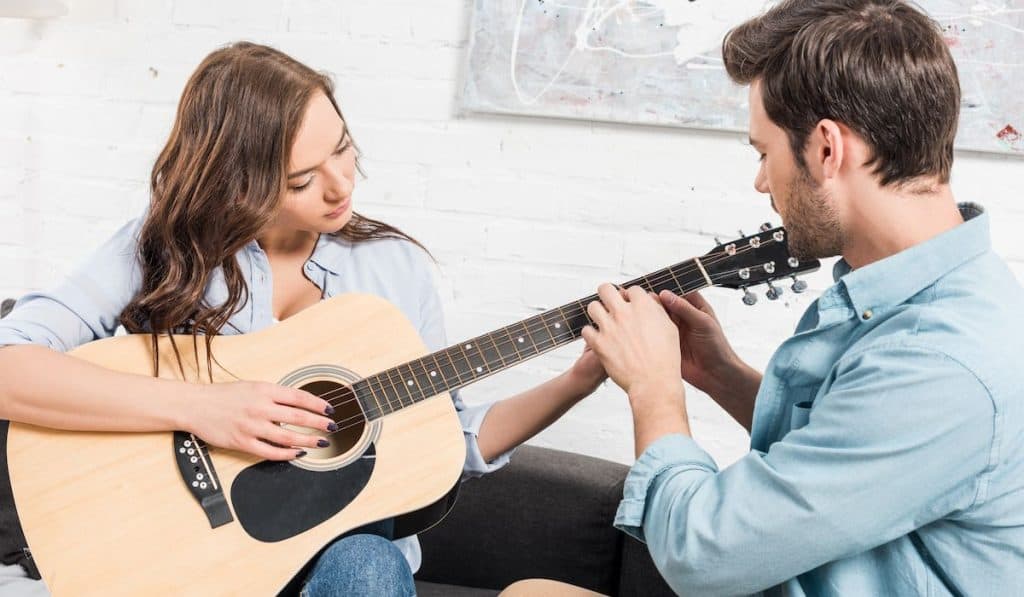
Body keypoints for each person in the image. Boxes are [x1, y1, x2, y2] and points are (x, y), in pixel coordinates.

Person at [0, 42, 607, 597]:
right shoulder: (165, 246)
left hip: (340, 562)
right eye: (301, 179)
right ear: (234, 182)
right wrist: (198, 407)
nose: (341, 185)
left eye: (343, 148)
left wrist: (577, 380)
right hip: (193, 556)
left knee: (367, 563)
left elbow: (449, 436)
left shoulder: (395, 269)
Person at [575, 1, 1024, 595]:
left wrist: (653, 390)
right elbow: (852, 450)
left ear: (826, 149)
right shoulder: (934, 299)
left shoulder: (940, 364)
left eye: (764, 153)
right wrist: (723, 375)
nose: (762, 181)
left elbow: (702, 553)